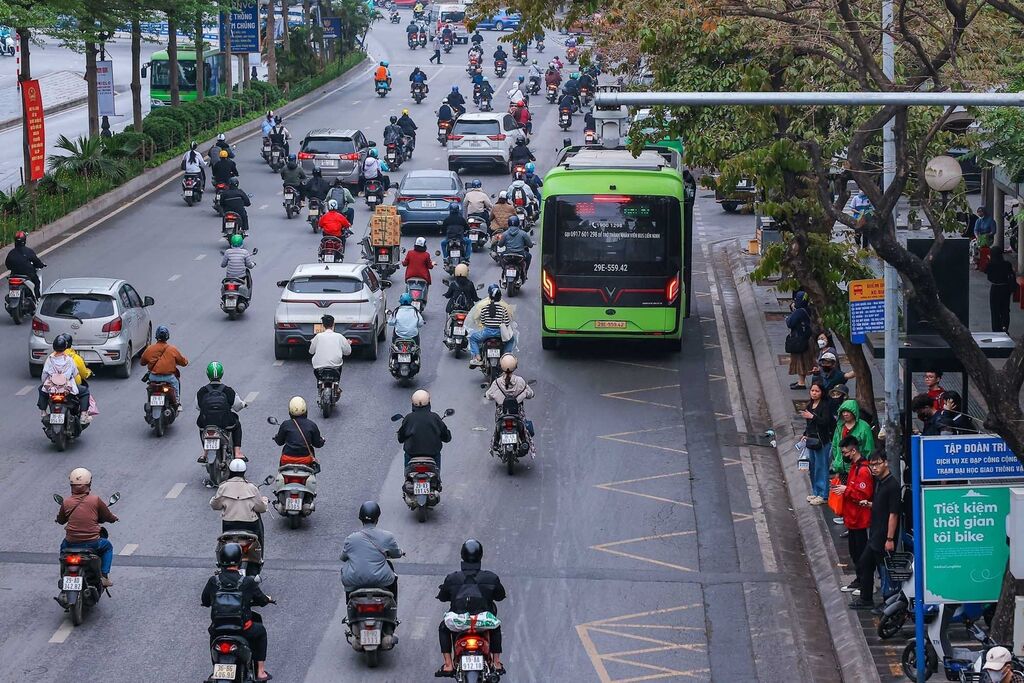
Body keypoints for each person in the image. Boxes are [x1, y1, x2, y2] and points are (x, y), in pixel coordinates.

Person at [201, 543, 274, 682]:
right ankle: (260, 672)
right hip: (243, 629)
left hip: (218, 630)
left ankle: (216, 669)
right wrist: (267, 599)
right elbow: (262, 600)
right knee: (261, 632)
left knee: (213, 639)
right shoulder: (247, 581)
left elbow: (205, 600)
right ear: (240, 560)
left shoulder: (214, 581)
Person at [435, 539, 506, 677]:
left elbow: (443, 597)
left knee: (443, 628)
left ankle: (448, 664)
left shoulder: (452, 578)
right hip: (483, 623)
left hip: (458, 623)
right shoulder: (491, 578)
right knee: (496, 627)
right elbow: (500, 596)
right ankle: (496, 663)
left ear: (462, 555)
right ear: (481, 556)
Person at [849, 451, 900, 609]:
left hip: (883, 536)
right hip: (875, 534)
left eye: (877, 464)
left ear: (885, 462)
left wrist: (890, 539)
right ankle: (866, 599)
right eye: (872, 465)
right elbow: (882, 506)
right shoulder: (880, 482)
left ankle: (887, 602)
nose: (874, 468)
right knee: (865, 563)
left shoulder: (892, 485)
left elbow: (893, 514)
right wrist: (870, 504)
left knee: (884, 571)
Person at [56, 468, 118, 587]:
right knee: (108, 547)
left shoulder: (66, 502)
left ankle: (64, 574)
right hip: (92, 543)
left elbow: (61, 520)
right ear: (89, 484)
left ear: (71, 485)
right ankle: (104, 576)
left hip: (71, 543)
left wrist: (58, 519)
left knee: (63, 549)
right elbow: (107, 516)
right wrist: (113, 518)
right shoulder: (95, 500)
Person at [832, 436, 873, 595]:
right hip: (852, 519)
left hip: (860, 520)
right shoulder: (855, 467)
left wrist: (846, 490)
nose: (844, 455)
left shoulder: (863, 470)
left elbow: (864, 495)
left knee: (862, 554)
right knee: (855, 553)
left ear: (853, 450)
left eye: (845, 452)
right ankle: (859, 579)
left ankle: (865, 584)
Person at [341, 501, 403, 602]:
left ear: (360, 518)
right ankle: (393, 605)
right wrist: (400, 552)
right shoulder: (388, 536)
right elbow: (396, 554)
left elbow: (343, 558)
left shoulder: (351, 538)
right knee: (393, 576)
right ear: (377, 518)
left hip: (354, 581)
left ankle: (349, 603)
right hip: (382, 579)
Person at [196, 361, 247, 463]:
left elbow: (198, 407)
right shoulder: (228, 390)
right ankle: (237, 452)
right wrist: (244, 404)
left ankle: (205, 453)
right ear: (222, 374)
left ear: (207, 374)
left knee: (202, 428)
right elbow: (237, 407)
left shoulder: (202, 391)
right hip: (225, 422)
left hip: (206, 422)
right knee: (237, 424)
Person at [210, 458, 268, 547]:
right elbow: (261, 508)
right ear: (244, 472)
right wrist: (265, 501)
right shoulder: (251, 487)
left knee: (225, 542)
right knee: (258, 542)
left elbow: (215, 506)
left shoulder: (223, 487)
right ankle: (259, 553)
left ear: (230, 471)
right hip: (249, 524)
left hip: (229, 524)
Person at [485, 353, 535, 452]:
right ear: (515, 366)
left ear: (501, 366)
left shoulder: (497, 382)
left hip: (502, 413)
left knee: (497, 426)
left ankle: (495, 442)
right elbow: (530, 394)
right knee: (523, 427)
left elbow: (489, 395)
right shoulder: (520, 381)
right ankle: (524, 441)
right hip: (517, 413)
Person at [398, 390, 452, 475]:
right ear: (428, 403)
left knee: (408, 474)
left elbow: (400, 438)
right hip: (432, 455)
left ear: (413, 403)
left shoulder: (408, 418)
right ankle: (437, 477)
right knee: (436, 475)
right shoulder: (435, 417)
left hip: (412, 455)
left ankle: (407, 477)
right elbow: (446, 438)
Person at [800, 381, 834, 505]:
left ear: (822, 392)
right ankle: (816, 491)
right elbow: (809, 425)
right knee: (813, 467)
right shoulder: (810, 405)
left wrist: (812, 417)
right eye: (812, 390)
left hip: (822, 441)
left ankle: (823, 494)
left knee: (822, 467)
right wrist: (805, 434)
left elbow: (825, 422)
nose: (814, 393)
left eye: (817, 391)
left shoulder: (825, 406)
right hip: (811, 440)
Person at [469, 285, 514, 366]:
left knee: (473, 338)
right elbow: (506, 323)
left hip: (486, 333)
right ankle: (505, 357)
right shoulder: (503, 309)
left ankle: (478, 357)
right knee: (511, 339)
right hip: (500, 333)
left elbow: (483, 322)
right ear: (500, 298)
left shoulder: (484, 308)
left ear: (489, 297)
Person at [273, 397, 325, 469]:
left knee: (280, 471)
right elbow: (317, 444)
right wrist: (322, 440)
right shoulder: (311, 425)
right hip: (306, 460)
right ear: (305, 410)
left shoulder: (285, 424)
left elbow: (280, 442)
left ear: (290, 411)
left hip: (287, 459)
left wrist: (276, 437)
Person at [141, 325, 188, 401]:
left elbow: (142, 362)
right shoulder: (172, 349)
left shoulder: (150, 349)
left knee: (150, 387)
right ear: (167, 336)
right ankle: (177, 401)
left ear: (156, 336)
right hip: (169, 378)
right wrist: (185, 361)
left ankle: (150, 400)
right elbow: (184, 362)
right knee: (176, 383)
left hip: (153, 377)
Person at [38, 335, 81, 416]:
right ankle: (83, 414)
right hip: (67, 387)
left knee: (42, 390)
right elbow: (76, 374)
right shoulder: (70, 359)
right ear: (65, 347)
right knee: (84, 392)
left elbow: (44, 373)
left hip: (52, 387)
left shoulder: (50, 359)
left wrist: (44, 383)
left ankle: (43, 411)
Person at [830, 398, 875, 476]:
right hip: (841, 468)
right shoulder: (839, 426)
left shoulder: (864, 427)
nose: (845, 414)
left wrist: (866, 465)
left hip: (858, 467)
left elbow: (869, 448)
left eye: (848, 411)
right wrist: (836, 462)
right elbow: (835, 445)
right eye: (843, 412)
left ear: (854, 412)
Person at [785, 291, 815, 390]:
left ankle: (801, 383)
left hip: (799, 340)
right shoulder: (808, 309)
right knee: (804, 360)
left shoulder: (799, 312)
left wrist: (792, 313)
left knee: (799, 360)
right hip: (807, 339)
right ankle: (801, 381)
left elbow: (790, 323)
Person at [309, 314, 352, 382]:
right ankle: (336, 384)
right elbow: (347, 352)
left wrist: (313, 342)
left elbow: (311, 351)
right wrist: (348, 344)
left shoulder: (318, 336)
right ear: (333, 324)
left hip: (319, 367)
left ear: (323, 325)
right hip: (335, 366)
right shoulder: (339, 336)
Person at [5, 231, 46, 299]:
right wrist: (41, 265)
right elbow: (36, 261)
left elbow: (7, 265)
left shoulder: (11, 253)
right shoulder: (28, 251)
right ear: (24, 240)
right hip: (27, 275)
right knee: (37, 282)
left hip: (14, 275)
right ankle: (37, 299)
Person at [987, 248, 1016, 332]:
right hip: (1005, 288)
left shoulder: (990, 265)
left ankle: (996, 329)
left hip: (995, 288)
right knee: (1005, 310)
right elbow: (1011, 274)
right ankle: (1004, 327)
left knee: (995, 311)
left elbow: (989, 277)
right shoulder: (1007, 264)